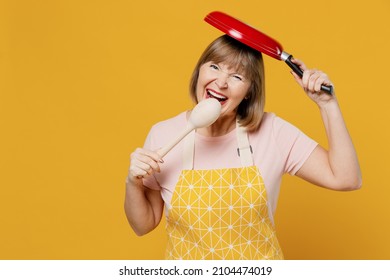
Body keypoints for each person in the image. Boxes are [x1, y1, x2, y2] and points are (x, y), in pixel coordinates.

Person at [124, 35, 362, 260]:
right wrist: (133, 183)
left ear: (249, 92)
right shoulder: (162, 134)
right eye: (214, 66)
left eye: (237, 77)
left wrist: (327, 105)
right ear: (199, 71)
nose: (221, 82)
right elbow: (143, 225)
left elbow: (346, 178)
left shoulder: (273, 132)